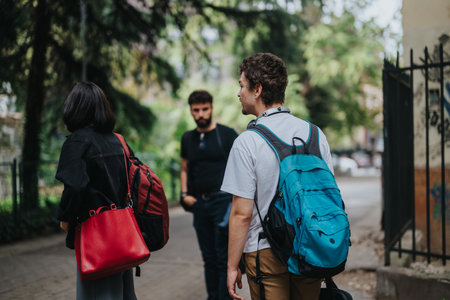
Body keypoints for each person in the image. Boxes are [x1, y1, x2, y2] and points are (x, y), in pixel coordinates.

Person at [221, 53, 335, 300]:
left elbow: (241, 214)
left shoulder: (247, 142)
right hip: (311, 246)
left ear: (258, 89)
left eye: (241, 86)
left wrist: (232, 267)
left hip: (265, 254)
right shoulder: (315, 134)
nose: (238, 93)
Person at [56, 81, 137, 300]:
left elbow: (75, 185)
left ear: (74, 108)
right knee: (123, 294)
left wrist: (65, 218)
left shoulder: (77, 142)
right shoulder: (117, 141)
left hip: (96, 238)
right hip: (122, 236)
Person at [180, 90, 238, 300]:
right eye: (196, 110)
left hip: (223, 203)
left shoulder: (227, 134)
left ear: (211, 108)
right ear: (191, 111)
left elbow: (241, 166)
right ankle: (212, 297)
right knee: (209, 258)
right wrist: (184, 194)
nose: (201, 114)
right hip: (200, 205)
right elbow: (185, 167)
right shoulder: (188, 138)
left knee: (223, 258)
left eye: (205, 109)